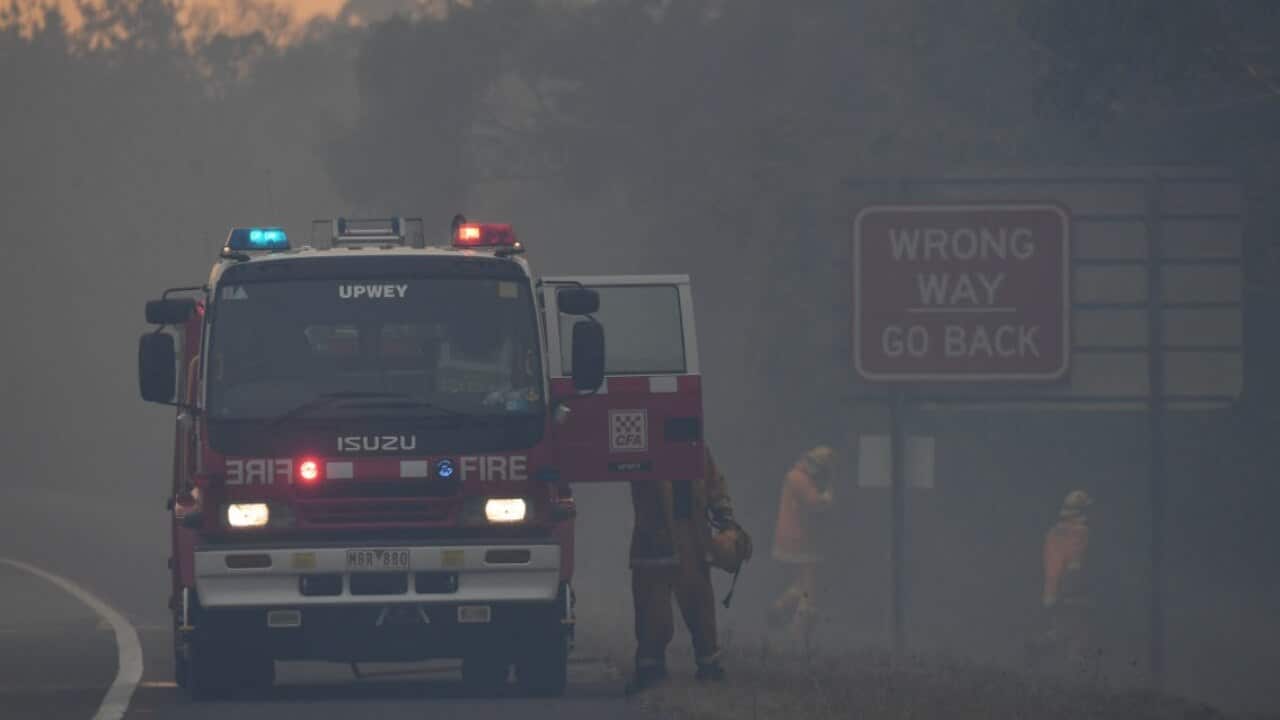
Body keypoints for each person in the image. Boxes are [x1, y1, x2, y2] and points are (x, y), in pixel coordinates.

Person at [626, 444, 743, 694]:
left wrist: (726, 520)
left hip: (690, 533)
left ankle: (708, 665)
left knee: (699, 601)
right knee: (652, 609)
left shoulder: (693, 442)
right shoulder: (642, 441)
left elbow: (713, 483)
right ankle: (651, 670)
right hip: (653, 537)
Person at [767, 446, 835, 637]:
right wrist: (829, 493)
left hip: (794, 536)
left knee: (800, 583)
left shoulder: (795, 476)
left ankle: (778, 610)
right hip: (799, 538)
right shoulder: (799, 479)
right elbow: (817, 503)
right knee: (809, 587)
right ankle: (797, 632)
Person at [1040, 489, 1094, 672]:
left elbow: (1050, 566)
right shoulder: (1081, 533)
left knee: (1057, 635)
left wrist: (1051, 595)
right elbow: (1076, 566)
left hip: (1053, 594)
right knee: (1077, 643)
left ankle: (1040, 667)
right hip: (1075, 594)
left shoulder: (1052, 533)